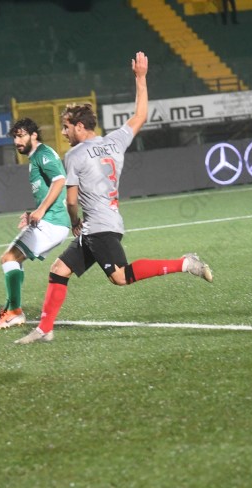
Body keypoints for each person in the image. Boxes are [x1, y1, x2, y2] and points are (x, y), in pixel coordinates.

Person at [15, 51, 213, 345]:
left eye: (66, 127)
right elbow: (140, 116)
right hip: (104, 223)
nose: (64, 132)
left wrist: (74, 222)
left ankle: (184, 263)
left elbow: (71, 201)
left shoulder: (74, 156)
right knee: (59, 270)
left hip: (98, 227)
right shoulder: (114, 142)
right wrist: (141, 78)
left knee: (120, 277)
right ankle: (45, 329)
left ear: (79, 126)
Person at [0, 118, 71, 331]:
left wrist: (41, 211)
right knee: (11, 260)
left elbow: (60, 180)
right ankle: (10, 308)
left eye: (21, 135)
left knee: (8, 258)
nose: (17, 141)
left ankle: (15, 312)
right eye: (15, 137)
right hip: (51, 220)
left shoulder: (43, 153)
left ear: (34, 135)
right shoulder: (35, 157)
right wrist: (34, 212)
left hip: (53, 222)